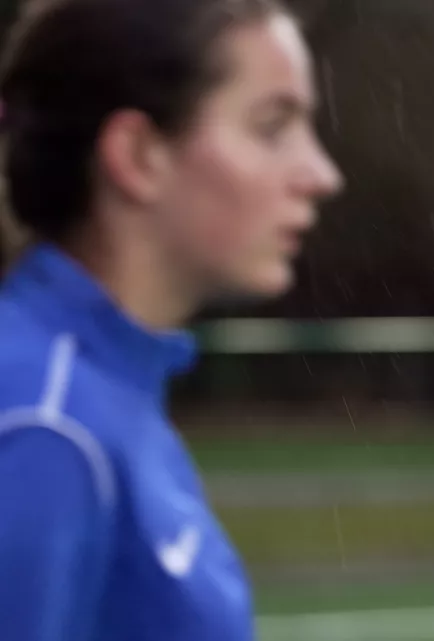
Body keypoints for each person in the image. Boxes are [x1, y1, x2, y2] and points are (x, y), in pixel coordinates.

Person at [0, 1, 342, 639]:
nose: (320, 175)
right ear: (139, 155)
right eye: (272, 126)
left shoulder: (110, 391)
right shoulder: (43, 428)